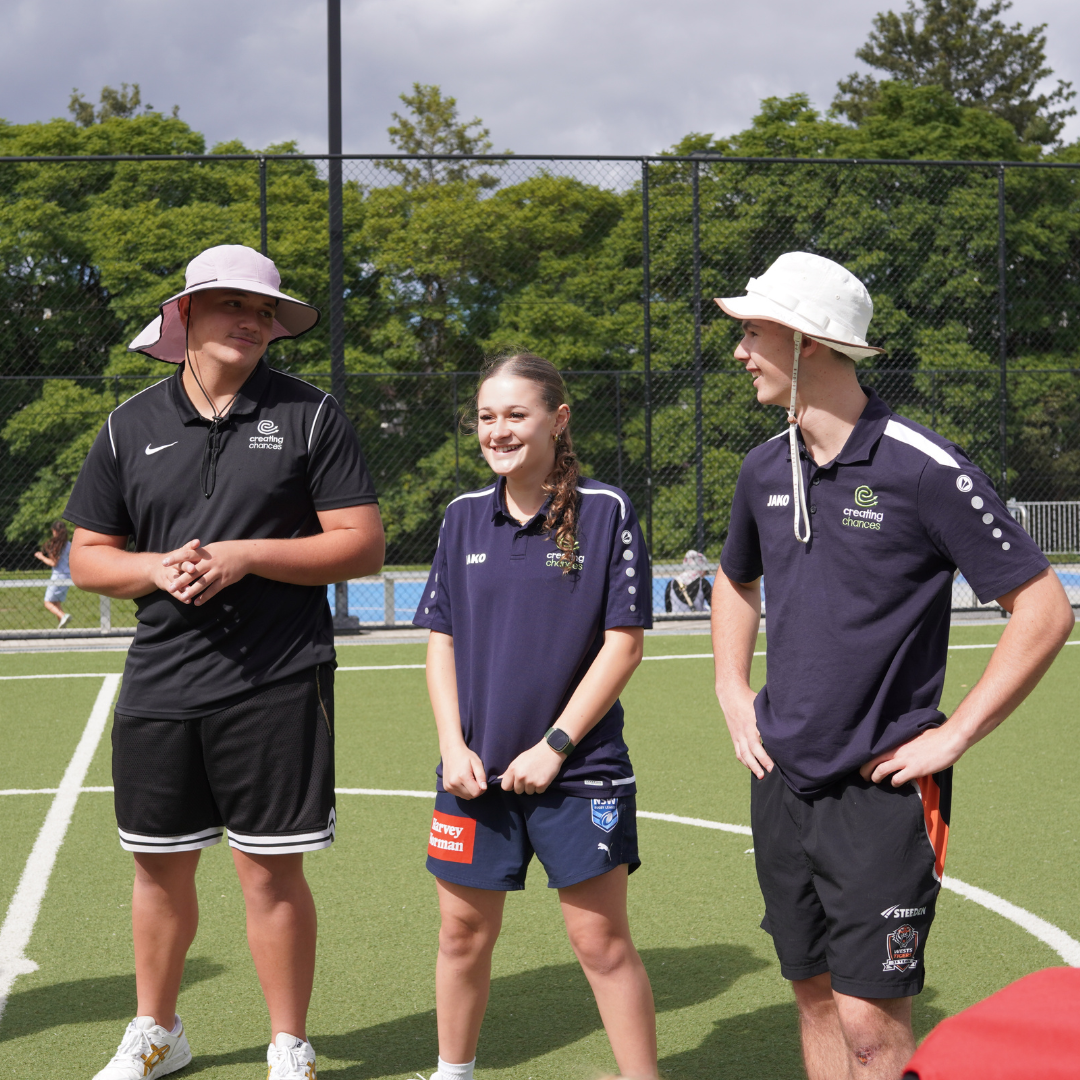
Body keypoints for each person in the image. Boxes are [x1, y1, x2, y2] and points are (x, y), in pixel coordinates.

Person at [710, 251, 1074, 1080]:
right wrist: (733, 689)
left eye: (755, 332)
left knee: (870, 1027)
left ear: (810, 343)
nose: (740, 351)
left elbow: (1043, 609)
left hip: (882, 791)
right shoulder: (765, 467)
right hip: (781, 777)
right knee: (811, 997)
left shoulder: (923, 467)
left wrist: (954, 737)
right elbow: (736, 580)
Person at [65, 244, 385, 1080]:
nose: (251, 320)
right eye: (230, 304)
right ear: (186, 317)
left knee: (269, 873)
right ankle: (158, 1033)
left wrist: (243, 555)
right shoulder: (128, 424)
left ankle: (289, 1045)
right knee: (158, 867)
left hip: (277, 677)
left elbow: (361, 546)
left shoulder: (313, 414)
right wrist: (153, 568)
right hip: (161, 681)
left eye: (265, 309)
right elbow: (91, 557)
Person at [413, 353, 658, 1080]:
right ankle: (451, 1074)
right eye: (487, 417)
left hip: (580, 772)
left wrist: (554, 746)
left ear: (557, 420)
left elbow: (624, 645)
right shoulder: (461, 518)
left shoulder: (606, 510)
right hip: (473, 776)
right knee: (461, 933)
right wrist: (452, 746)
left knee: (600, 943)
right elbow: (441, 645)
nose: (499, 431)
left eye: (516, 415)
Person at [35, 519, 73, 628]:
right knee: (56, 603)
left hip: (58, 577)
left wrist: (41, 557)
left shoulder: (56, 544)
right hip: (67, 576)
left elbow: (53, 563)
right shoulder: (69, 544)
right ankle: (62, 627)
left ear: (55, 531)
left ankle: (63, 616)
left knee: (47, 603)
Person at [663, 549, 712, 613]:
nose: (705, 573)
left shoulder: (671, 583)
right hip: (698, 621)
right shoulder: (703, 583)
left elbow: (668, 609)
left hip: (675, 621)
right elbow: (714, 605)